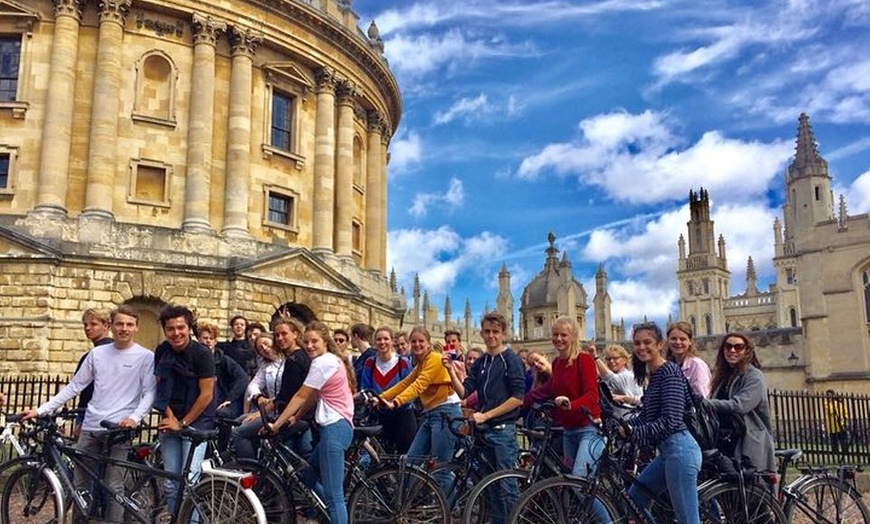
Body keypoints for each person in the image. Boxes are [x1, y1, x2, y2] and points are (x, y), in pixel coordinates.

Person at [21, 305, 156, 524]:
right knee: (80, 486)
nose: (124, 328)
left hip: (119, 430)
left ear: (137, 328)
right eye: (120, 324)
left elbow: (149, 392)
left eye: (129, 324)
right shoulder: (97, 353)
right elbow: (75, 386)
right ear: (111, 326)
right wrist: (41, 409)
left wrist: (135, 418)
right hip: (91, 427)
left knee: (114, 487)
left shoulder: (145, 356)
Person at [268, 321, 356, 524]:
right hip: (334, 429)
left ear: (325, 341)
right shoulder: (331, 360)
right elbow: (313, 397)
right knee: (305, 476)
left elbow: (300, 396)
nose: (309, 346)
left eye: (314, 341)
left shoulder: (323, 362)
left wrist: (276, 425)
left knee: (335, 499)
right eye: (306, 342)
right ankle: (326, 514)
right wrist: (296, 418)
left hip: (334, 430)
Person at [445, 312, 525, 524]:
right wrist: (450, 372)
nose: (491, 336)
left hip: (503, 431)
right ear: (481, 333)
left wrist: (487, 415)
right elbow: (464, 392)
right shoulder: (481, 362)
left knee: (508, 488)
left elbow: (518, 398)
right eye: (487, 332)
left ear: (503, 333)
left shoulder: (511, 360)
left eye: (495, 332)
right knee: (491, 490)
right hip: (484, 432)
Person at [621, 322, 701, 524]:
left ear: (659, 345)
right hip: (668, 452)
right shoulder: (655, 375)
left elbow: (671, 421)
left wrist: (633, 432)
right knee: (635, 497)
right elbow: (647, 416)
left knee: (687, 520)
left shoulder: (670, 372)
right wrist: (620, 426)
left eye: (647, 342)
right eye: (637, 343)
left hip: (681, 450)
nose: (641, 347)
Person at [379, 326, 462, 493]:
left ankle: (451, 512)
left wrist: (396, 402)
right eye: (414, 341)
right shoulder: (422, 363)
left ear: (428, 343)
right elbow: (405, 383)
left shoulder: (435, 359)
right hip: (431, 414)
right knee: (410, 463)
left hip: (446, 413)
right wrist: (380, 397)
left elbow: (418, 385)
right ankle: (409, 504)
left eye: (421, 341)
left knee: (440, 469)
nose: (417, 344)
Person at [524, 317, 603, 488]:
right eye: (555, 335)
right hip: (569, 432)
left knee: (580, 485)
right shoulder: (558, 363)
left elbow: (591, 395)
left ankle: (609, 516)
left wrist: (570, 405)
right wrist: (517, 403)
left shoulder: (584, 360)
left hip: (588, 430)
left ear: (574, 336)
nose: (558, 339)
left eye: (563, 335)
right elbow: (545, 391)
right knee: (569, 485)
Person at [153, 304, 216, 516]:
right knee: (171, 484)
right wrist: (170, 418)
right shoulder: (162, 350)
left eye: (181, 327)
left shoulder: (202, 354)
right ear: (164, 330)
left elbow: (206, 394)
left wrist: (182, 424)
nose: (176, 333)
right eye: (170, 328)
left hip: (196, 423)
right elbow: (160, 386)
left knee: (190, 483)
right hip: (170, 419)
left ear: (189, 328)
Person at [706, 333, 775, 472]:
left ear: (747, 351)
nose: (732, 350)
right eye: (728, 346)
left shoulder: (754, 376)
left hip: (747, 441)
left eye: (738, 347)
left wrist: (706, 403)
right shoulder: (723, 377)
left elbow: (740, 406)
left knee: (751, 490)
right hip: (724, 440)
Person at [359, 326, 416, 453]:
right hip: (379, 417)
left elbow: (410, 390)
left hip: (402, 416)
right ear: (374, 342)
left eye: (386, 339)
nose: (382, 342)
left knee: (405, 457)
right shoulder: (370, 363)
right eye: (379, 339)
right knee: (381, 458)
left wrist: (394, 403)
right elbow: (365, 388)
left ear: (392, 341)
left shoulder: (403, 363)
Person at [232, 334, 285, 459]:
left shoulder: (287, 361)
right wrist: (258, 396)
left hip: (280, 410)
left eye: (266, 343)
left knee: (238, 433)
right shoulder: (266, 366)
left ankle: (250, 468)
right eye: (261, 348)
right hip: (270, 410)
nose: (265, 348)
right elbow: (253, 385)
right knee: (238, 421)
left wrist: (264, 409)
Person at [272, 317, 314, 460]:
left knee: (290, 461)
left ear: (295, 334)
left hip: (293, 417)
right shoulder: (302, 356)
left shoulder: (294, 360)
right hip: (303, 416)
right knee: (303, 459)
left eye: (284, 334)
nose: (280, 338)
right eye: (277, 335)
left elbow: (289, 394)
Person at [74, 308, 115, 435]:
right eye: (85, 324)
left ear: (106, 326)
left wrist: (80, 420)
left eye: (93, 324)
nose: (87, 328)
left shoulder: (95, 355)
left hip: (93, 413)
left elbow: (82, 389)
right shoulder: (114, 350)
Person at [197, 321, 247, 419]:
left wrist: (230, 398)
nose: (208, 341)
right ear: (199, 339)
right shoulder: (194, 358)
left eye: (211, 338)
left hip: (219, 401)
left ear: (215, 341)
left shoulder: (223, 359)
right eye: (205, 338)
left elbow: (242, 377)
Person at [594, 344, 644, 416]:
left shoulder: (628, 376)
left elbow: (613, 380)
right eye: (608, 359)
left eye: (615, 358)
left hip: (630, 420)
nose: (611, 361)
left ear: (624, 360)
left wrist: (596, 358)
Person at [666, 321, 712, 398]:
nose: (678, 342)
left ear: (690, 341)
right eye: (673, 339)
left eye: (682, 339)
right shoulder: (669, 365)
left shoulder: (697, 365)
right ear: (668, 341)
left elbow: (702, 397)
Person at [824, 389, 850, 460]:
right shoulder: (826, 403)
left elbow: (845, 412)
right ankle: (835, 452)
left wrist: (845, 420)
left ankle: (845, 452)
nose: (829, 397)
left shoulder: (839, 403)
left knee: (843, 439)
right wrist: (832, 404)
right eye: (827, 395)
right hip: (832, 425)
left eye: (830, 395)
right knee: (834, 440)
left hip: (841, 424)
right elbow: (830, 411)